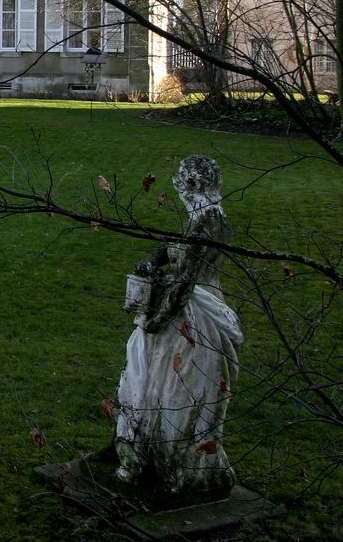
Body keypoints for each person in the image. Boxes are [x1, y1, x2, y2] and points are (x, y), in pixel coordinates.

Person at [115, 155, 243, 495]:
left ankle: (166, 462)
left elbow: (185, 280)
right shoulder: (208, 216)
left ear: (192, 184)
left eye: (180, 180)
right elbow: (175, 249)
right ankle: (157, 457)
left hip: (193, 314)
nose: (177, 186)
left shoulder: (207, 221)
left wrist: (156, 321)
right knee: (168, 383)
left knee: (172, 386)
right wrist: (153, 260)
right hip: (201, 306)